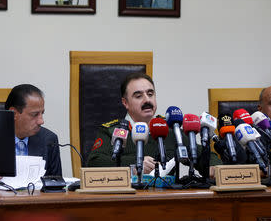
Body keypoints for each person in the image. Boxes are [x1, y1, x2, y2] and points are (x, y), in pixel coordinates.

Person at [87, 72, 220, 174]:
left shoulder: (169, 129)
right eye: (138, 96)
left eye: (150, 94)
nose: (147, 100)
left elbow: (202, 154)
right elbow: (94, 163)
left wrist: (213, 167)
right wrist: (134, 164)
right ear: (125, 103)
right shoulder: (112, 131)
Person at [5, 84, 62, 176]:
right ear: (14, 113)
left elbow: (56, 185)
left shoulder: (49, 140)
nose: (41, 121)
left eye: (42, 113)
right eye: (35, 114)